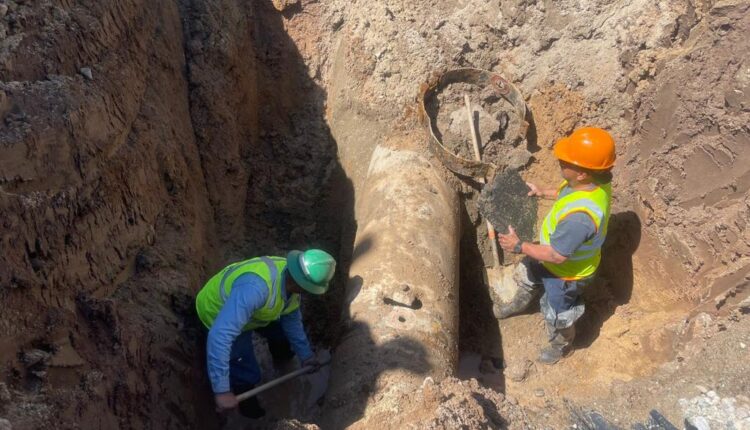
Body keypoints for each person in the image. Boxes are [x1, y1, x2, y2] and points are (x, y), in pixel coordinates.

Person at [495, 127, 615, 365]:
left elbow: (557, 256)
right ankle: (519, 302)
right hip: (550, 254)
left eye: (566, 160)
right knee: (529, 274)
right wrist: (542, 191)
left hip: (566, 274)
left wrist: (519, 246)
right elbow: (564, 193)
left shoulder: (580, 218)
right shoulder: (590, 182)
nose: (560, 160)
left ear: (582, 173)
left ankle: (562, 345)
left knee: (557, 312)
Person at [194, 249, 336, 417]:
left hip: (256, 310)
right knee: (244, 365)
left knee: (281, 334)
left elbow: (291, 320)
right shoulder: (256, 288)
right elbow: (220, 336)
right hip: (217, 312)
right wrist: (221, 390)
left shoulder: (291, 282)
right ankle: (248, 407)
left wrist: (306, 356)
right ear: (302, 284)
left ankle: (282, 358)